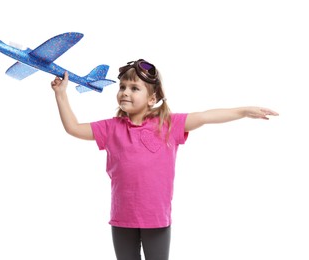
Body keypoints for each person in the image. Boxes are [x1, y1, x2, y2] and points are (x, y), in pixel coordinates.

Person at [51, 59, 279, 260]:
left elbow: (206, 116)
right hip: (122, 218)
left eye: (134, 88)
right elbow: (73, 128)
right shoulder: (111, 128)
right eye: (122, 87)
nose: (125, 92)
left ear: (152, 98)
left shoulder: (168, 124)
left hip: (156, 218)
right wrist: (61, 94)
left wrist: (243, 111)